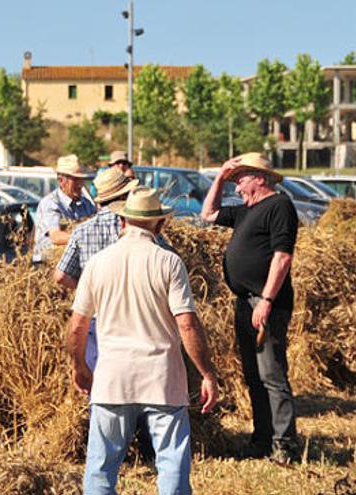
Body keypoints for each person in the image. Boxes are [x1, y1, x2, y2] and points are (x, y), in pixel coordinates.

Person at [68, 187, 217, 494]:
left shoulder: (98, 263)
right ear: (160, 225)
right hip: (161, 378)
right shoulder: (169, 262)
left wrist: (79, 365)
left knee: (101, 468)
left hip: (112, 379)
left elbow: (76, 327)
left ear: (123, 222)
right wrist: (207, 373)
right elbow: (187, 325)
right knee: (172, 464)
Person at [201, 152, 300, 463]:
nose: (237, 185)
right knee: (253, 376)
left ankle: (284, 446)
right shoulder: (246, 211)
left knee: (272, 374)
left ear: (260, 178)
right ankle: (262, 440)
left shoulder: (279, 205)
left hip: (265, 303)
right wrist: (218, 177)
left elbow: (282, 257)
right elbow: (208, 213)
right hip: (245, 302)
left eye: (241, 178)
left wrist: (267, 300)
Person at [54, 166, 139, 366]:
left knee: (99, 381)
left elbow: (60, 276)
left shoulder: (81, 231)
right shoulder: (137, 227)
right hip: (133, 318)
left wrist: (87, 291)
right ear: (125, 195)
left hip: (97, 317)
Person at [33, 154, 97, 263]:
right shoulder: (51, 204)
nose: (80, 184)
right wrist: (88, 238)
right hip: (46, 265)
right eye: (75, 180)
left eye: (81, 180)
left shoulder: (85, 204)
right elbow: (56, 237)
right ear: (61, 180)